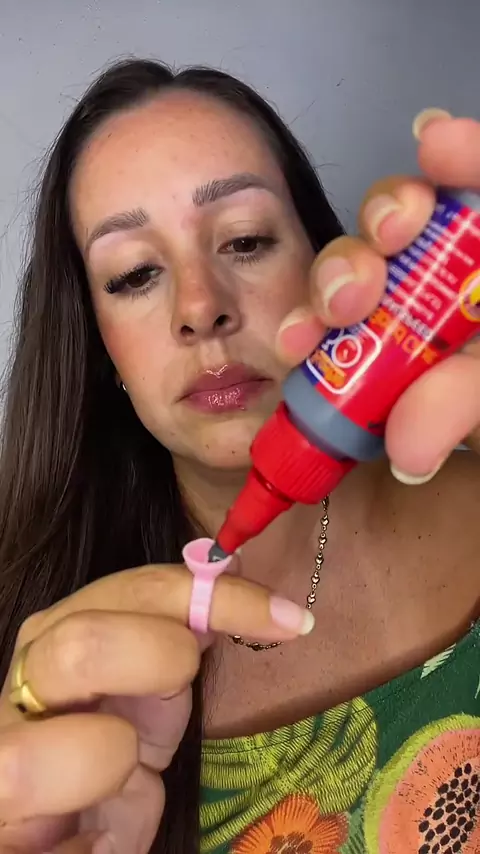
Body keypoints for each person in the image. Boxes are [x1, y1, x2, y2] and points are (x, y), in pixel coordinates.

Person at [0, 58, 478, 854]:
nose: (200, 307)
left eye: (247, 240)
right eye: (135, 274)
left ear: (326, 266)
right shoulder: (39, 672)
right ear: (100, 350)